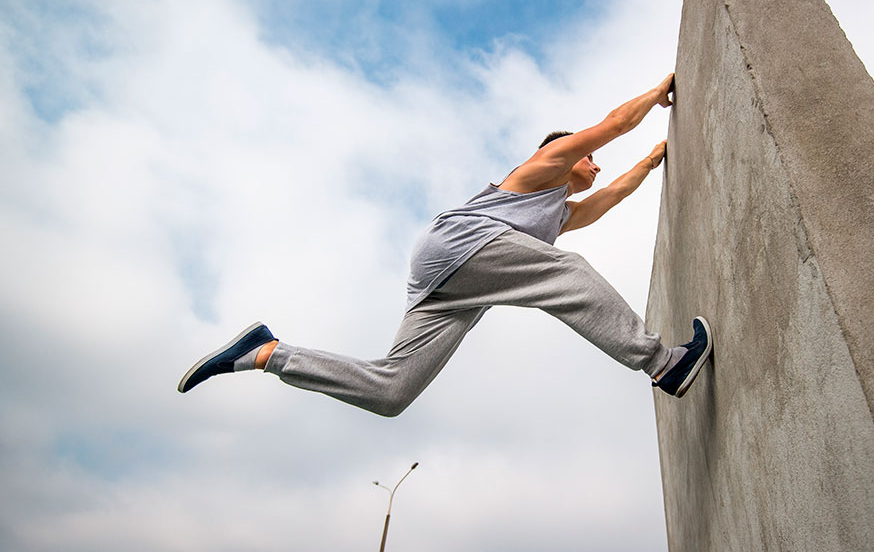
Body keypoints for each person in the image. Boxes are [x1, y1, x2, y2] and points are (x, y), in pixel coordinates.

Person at [178, 74, 712, 416]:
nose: (597, 166)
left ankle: (268, 354)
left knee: (393, 391)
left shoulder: (557, 215)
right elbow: (612, 124)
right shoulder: (541, 168)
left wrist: (649, 160)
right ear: (564, 154)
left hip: (447, 283)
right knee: (566, 274)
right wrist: (656, 93)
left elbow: (608, 200)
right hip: (460, 247)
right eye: (590, 159)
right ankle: (662, 362)